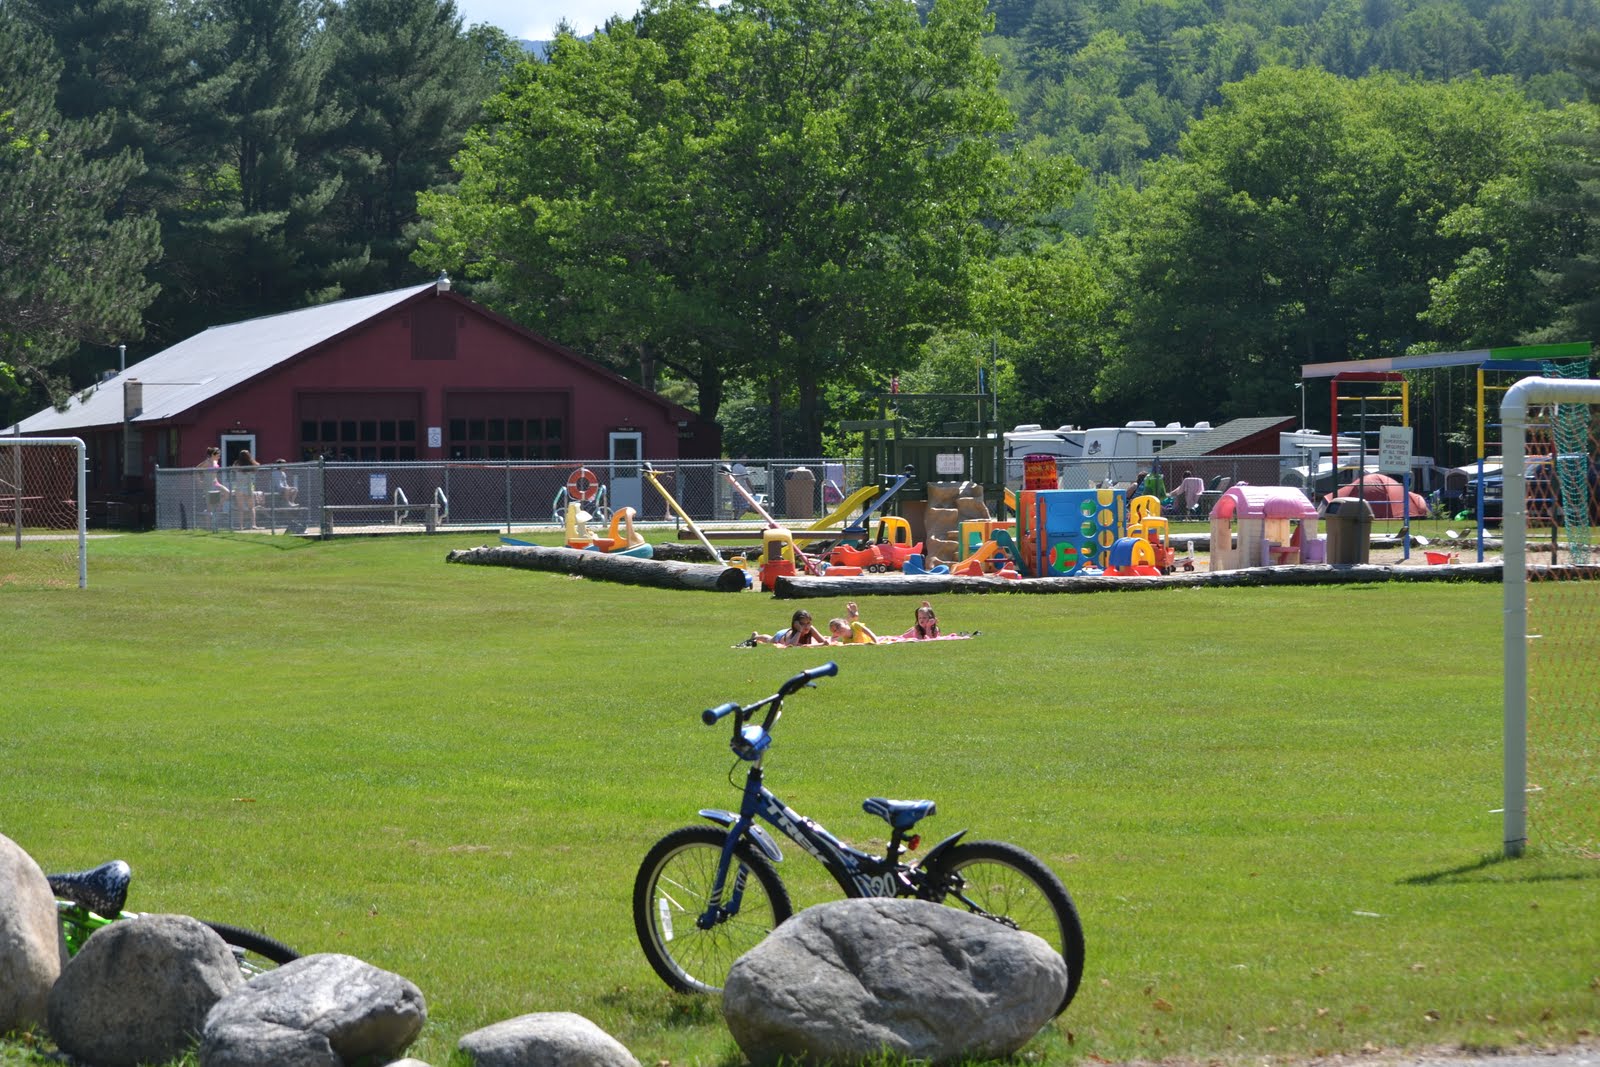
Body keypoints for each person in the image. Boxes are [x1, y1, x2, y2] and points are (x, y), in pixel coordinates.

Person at [751, 609, 829, 646]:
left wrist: (822, 643)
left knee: (769, 638)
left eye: (808, 623)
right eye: (802, 623)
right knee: (769, 640)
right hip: (781, 635)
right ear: (796, 624)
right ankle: (756, 636)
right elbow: (792, 645)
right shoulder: (792, 633)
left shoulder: (810, 628)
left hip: (792, 631)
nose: (806, 626)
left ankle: (757, 636)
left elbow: (824, 642)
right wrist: (799, 630)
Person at [231, 449, 261, 528]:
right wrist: (251, 460)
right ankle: (253, 524)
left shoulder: (237, 464)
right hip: (248, 487)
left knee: (240, 508)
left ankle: (241, 526)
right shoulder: (251, 464)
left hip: (239, 488)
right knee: (251, 507)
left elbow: (233, 469)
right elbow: (258, 465)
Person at [198, 447, 229, 523]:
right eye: (218, 454)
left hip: (215, 483)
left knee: (227, 492)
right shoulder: (206, 462)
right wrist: (199, 481)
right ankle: (208, 526)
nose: (219, 455)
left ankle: (219, 506)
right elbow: (197, 469)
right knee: (209, 507)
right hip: (208, 484)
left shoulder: (216, 461)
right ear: (213, 454)